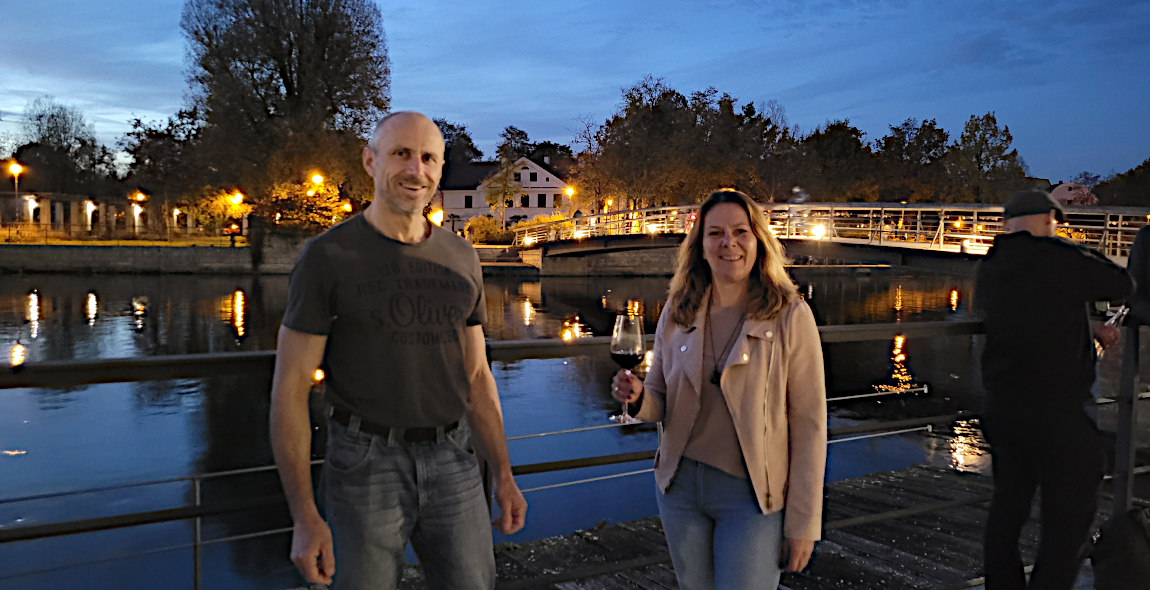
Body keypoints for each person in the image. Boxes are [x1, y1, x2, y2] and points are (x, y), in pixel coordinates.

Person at [270, 111, 527, 590]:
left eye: (429, 157)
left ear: (441, 169)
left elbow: (477, 377)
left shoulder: (461, 256)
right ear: (370, 161)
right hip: (364, 464)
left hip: (455, 459)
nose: (416, 170)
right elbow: (289, 388)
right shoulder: (328, 257)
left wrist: (504, 474)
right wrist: (304, 515)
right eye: (401, 154)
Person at [612, 189, 828, 589]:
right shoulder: (679, 312)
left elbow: (810, 426)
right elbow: (660, 400)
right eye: (715, 234)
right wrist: (639, 397)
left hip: (751, 497)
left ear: (758, 240)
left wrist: (804, 524)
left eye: (739, 231)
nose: (729, 243)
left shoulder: (790, 316)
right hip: (680, 491)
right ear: (700, 247)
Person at [975, 189, 1133, 590]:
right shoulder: (1059, 258)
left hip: (1003, 406)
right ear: (1050, 220)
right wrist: (1065, 243)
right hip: (1055, 410)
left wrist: (1086, 325)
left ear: (1007, 224)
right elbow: (1121, 283)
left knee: (1009, 506)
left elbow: (1033, 310)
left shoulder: (993, 264)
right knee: (1072, 511)